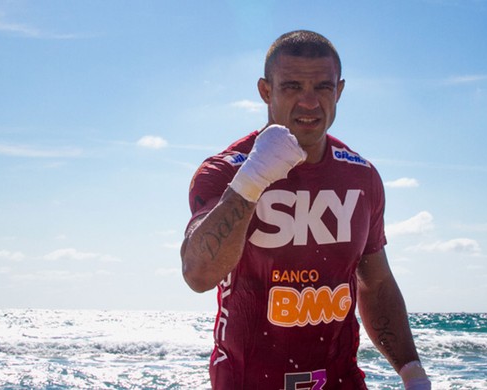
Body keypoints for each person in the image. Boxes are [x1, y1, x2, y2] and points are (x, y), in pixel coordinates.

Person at [181, 30, 431, 390]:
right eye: (292, 87)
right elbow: (198, 275)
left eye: (323, 88)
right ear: (266, 91)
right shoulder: (226, 171)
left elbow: (375, 284)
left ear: (339, 91)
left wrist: (413, 373)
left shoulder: (361, 177)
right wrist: (251, 181)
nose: (310, 103)